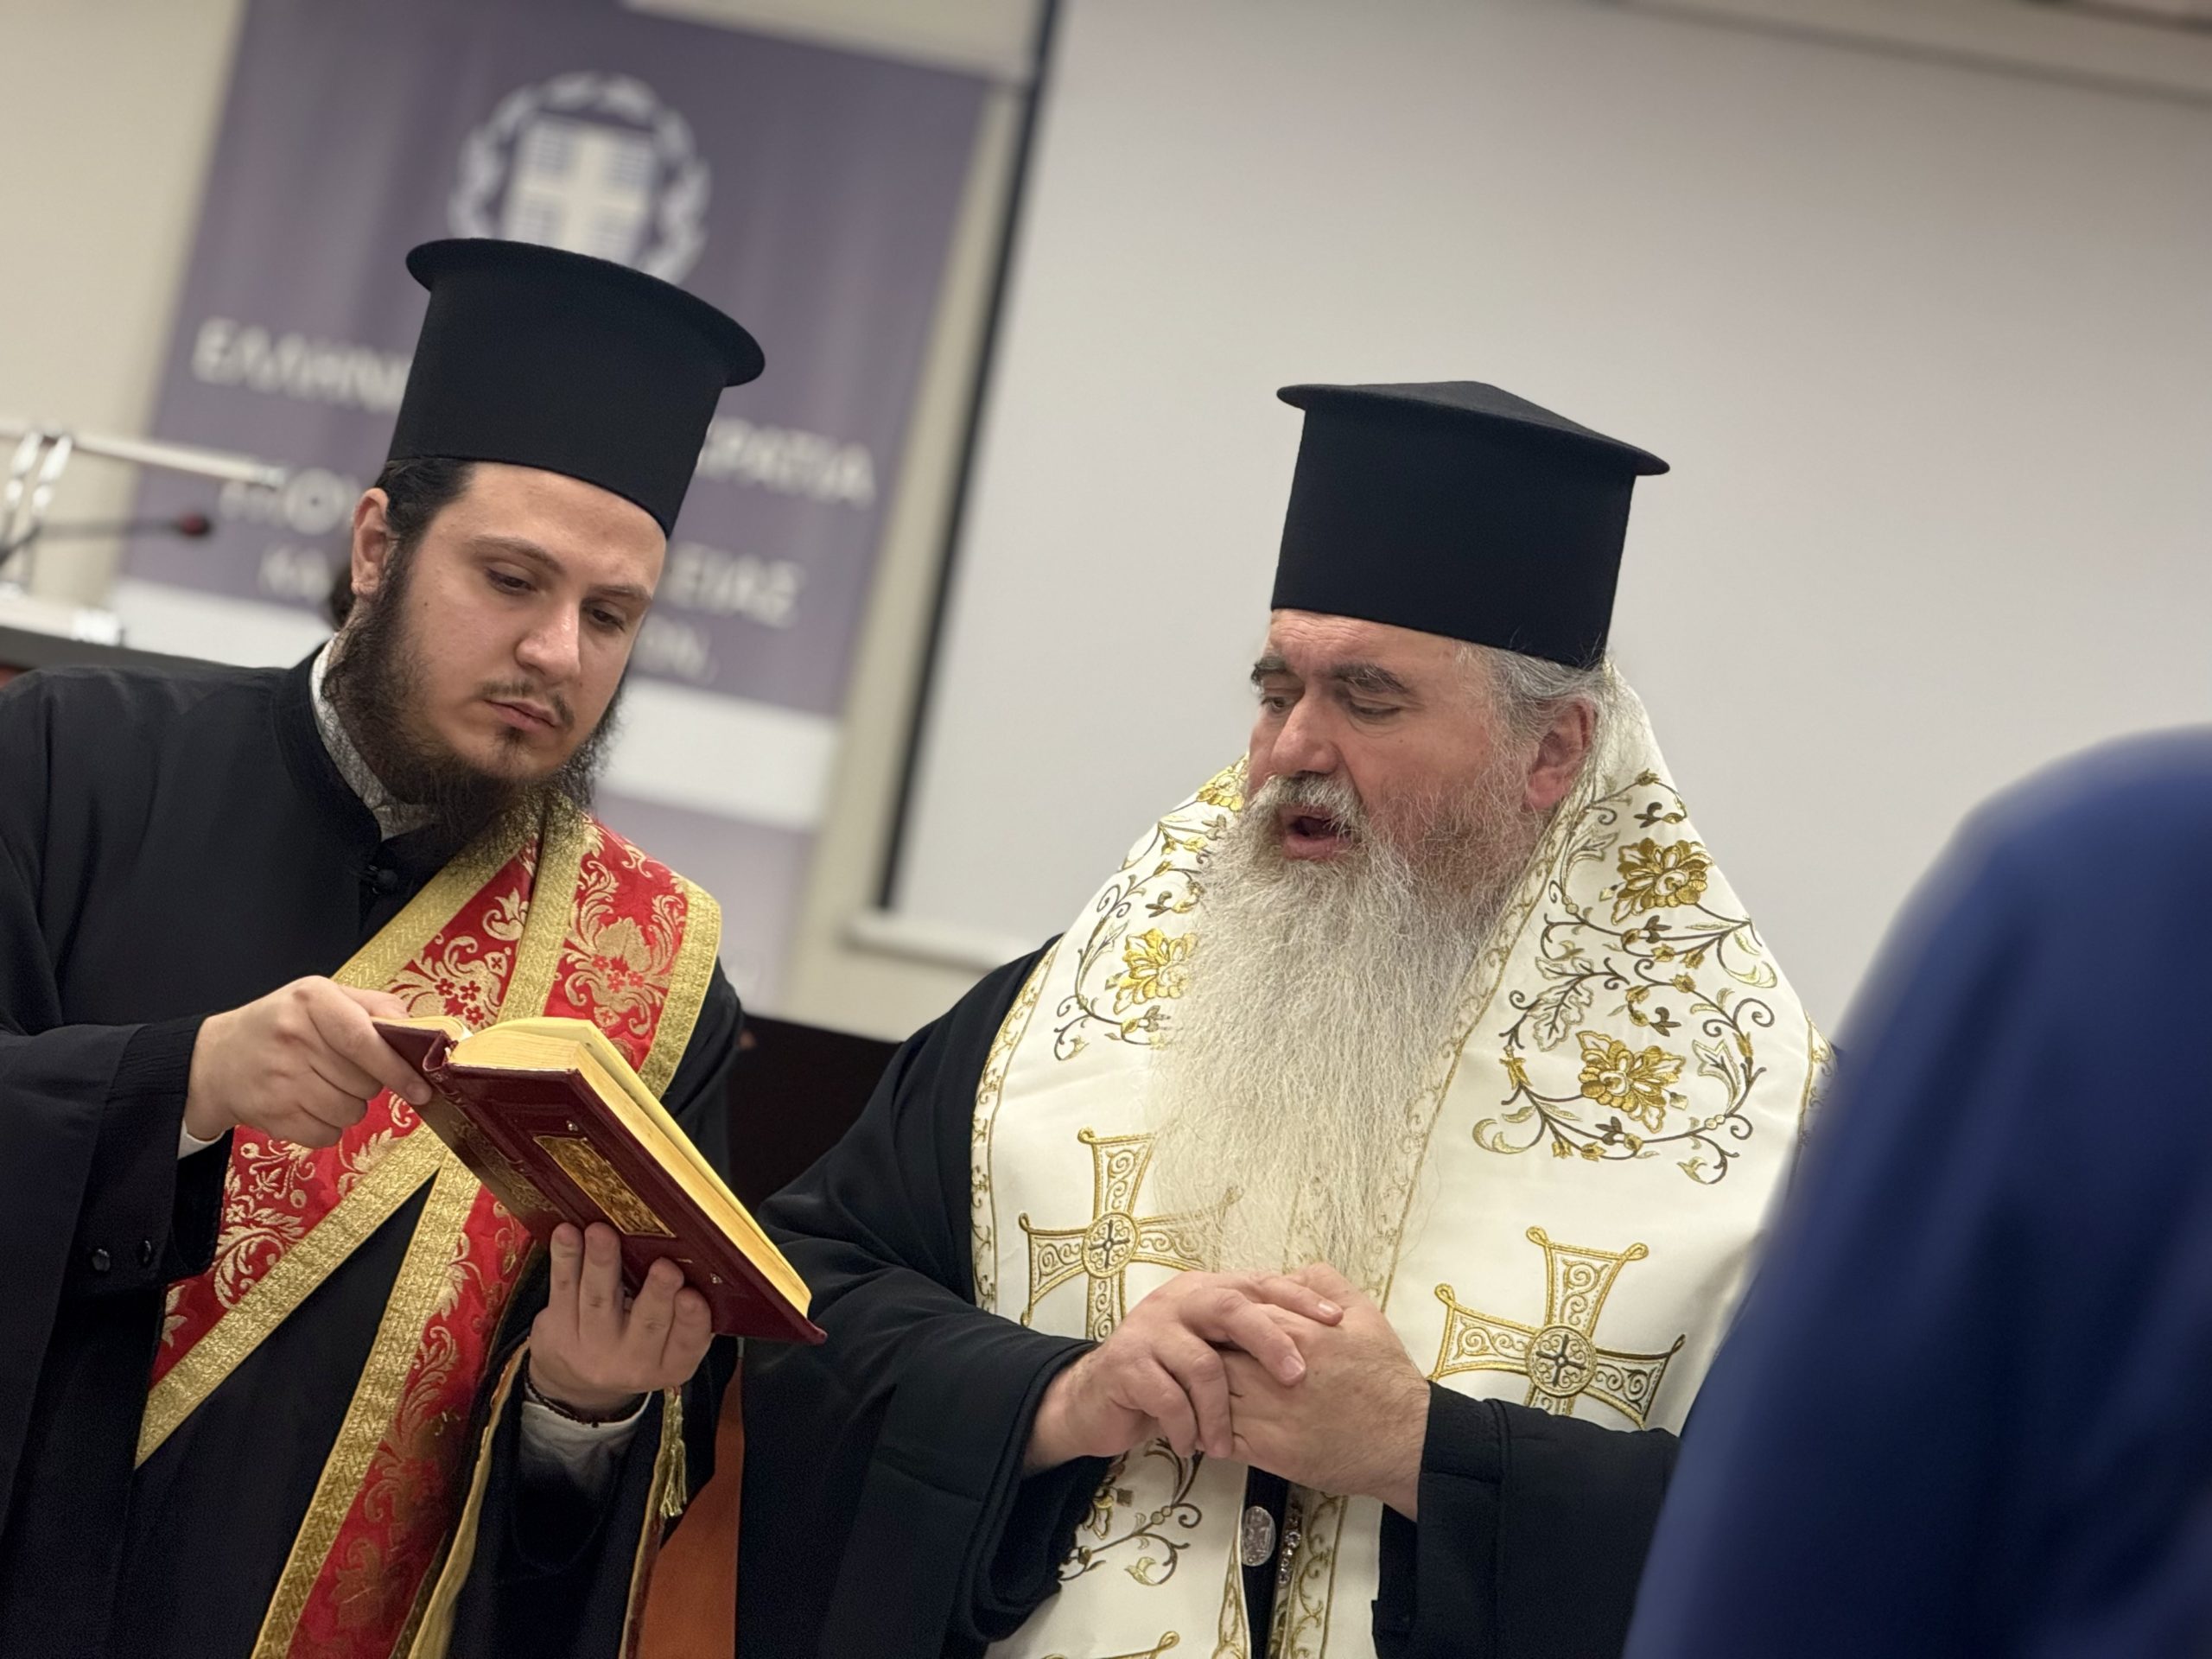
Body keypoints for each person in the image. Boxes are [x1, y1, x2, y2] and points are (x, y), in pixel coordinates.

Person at [740, 381, 1832, 1658]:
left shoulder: (1768, 1135)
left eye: (1367, 699)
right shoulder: (1059, 1025)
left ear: (1552, 753)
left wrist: (1424, 1452)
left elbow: (1844, 1546)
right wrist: (1066, 1395)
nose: (1291, 750)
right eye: (1277, 692)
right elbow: (815, 1301)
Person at [0, 238, 764, 1657]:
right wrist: (182, 1085)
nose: (557, 652)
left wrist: (582, 1410)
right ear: (374, 549)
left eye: (609, 616)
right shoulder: (63, 762)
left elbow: (608, 1506)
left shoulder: (658, 980)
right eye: (512, 579)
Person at [1624, 731, 2212, 1658]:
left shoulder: (2125, 898)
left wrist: (1434, 1443)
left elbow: (1806, 1543)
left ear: (1557, 751)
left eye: (1385, 704)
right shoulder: (2111, 897)